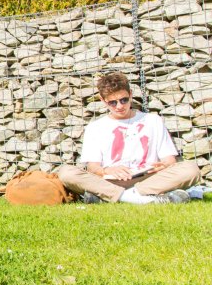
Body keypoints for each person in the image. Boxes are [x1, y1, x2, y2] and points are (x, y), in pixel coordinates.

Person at [58, 71, 201, 204]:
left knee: (191, 169)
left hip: (148, 179)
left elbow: (169, 159)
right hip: (111, 181)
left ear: (130, 94)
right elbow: (93, 167)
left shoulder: (152, 120)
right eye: (112, 102)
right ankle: (141, 199)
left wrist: (163, 166)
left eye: (124, 100)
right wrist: (106, 171)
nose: (119, 106)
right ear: (103, 100)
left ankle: (117, 197)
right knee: (66, 173)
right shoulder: (95, 127)